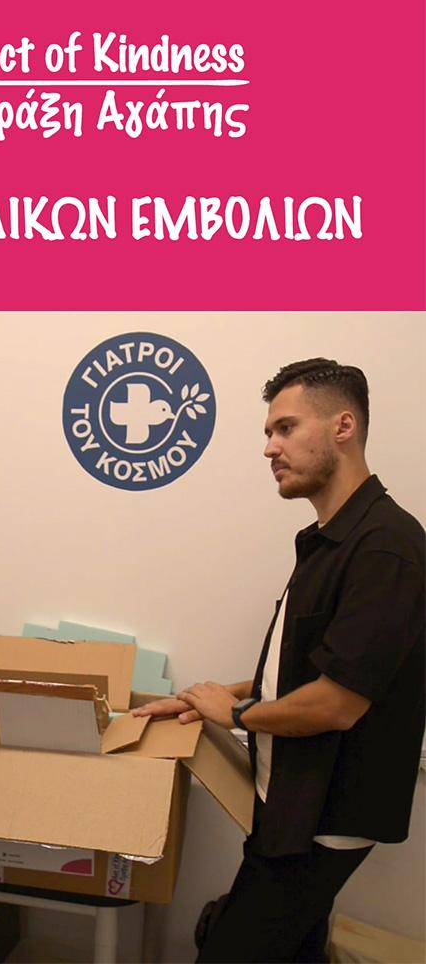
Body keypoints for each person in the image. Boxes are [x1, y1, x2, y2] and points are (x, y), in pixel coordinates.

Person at [134, 358, 425, 963]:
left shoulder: (386, 547)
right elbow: (305, 668)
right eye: (270, 432)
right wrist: (207, 698)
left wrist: (235, 714)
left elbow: (337, 702)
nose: (270, 447)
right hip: (292, 799)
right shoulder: (330, 539)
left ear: (343, 427)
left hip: (323, 814)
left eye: (286, 428)